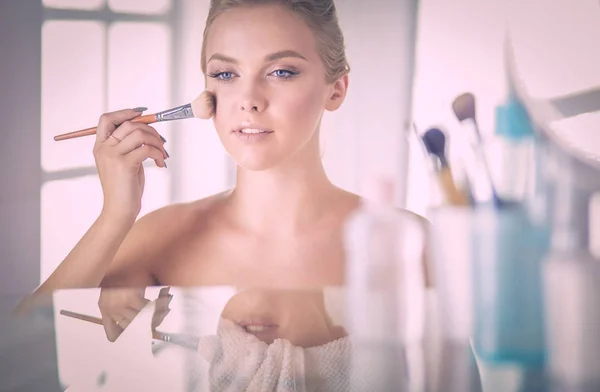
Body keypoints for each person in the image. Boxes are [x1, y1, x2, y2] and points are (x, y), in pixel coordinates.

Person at [18, 0, 429, 331]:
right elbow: (18, 360)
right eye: (227, 73)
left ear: (336, 89)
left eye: (281, 71)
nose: (248, 99)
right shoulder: (159, 238)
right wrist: (115, 215)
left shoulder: (408, 242)